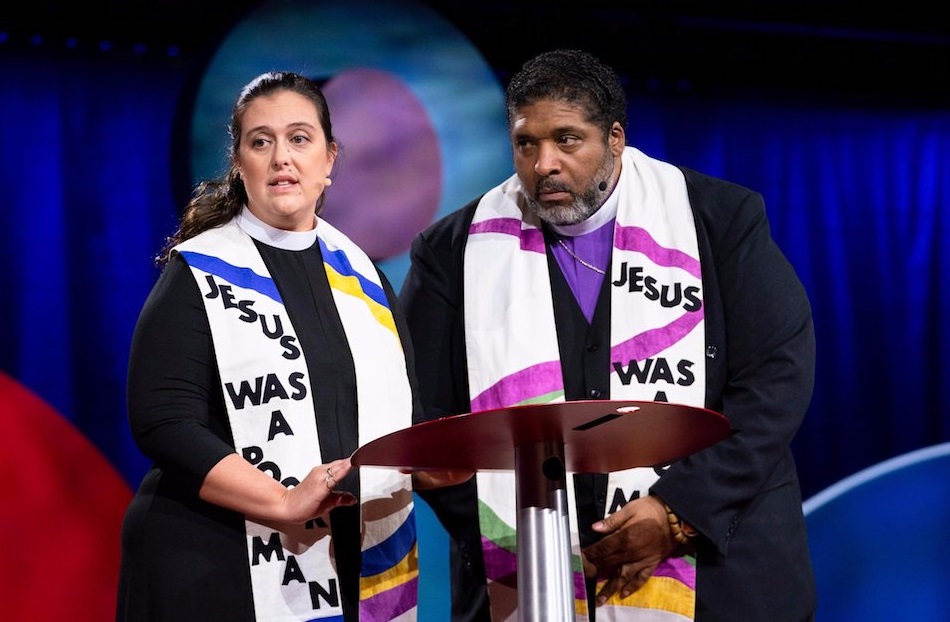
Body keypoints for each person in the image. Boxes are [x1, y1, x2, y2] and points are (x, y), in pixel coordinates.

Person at [399, 49, 817, 621]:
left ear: (615, 138)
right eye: (526, 143)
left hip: (720, 577)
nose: (544, 163)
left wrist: (678, 512)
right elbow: (425, 418)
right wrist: (536, 543)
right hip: (527, 579)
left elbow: (777, 378)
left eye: (567, 140)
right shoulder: (452, 251)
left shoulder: (719, 220)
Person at [117, 71, 421, 621]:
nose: (282, 156)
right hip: (212, 559)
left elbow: (408, 416)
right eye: (261, 141)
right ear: (240, 161)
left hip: (343, 557)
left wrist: (436, 464)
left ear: (329, 160)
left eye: (300, 139)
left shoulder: (367, 280)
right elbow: (163, 420)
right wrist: (281, 502)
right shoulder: (199, 271)